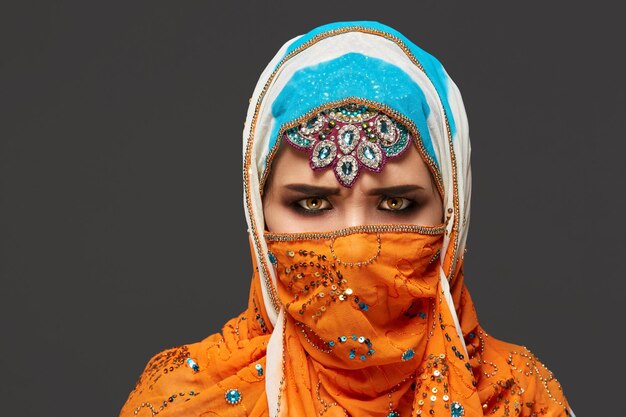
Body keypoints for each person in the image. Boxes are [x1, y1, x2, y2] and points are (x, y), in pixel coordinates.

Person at [119, 21, 574, 417]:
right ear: (259, 218)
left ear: (452, 215)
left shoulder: (520, 400)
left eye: (395, 204)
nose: (355, 247)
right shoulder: (184, 404)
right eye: (312, 205)